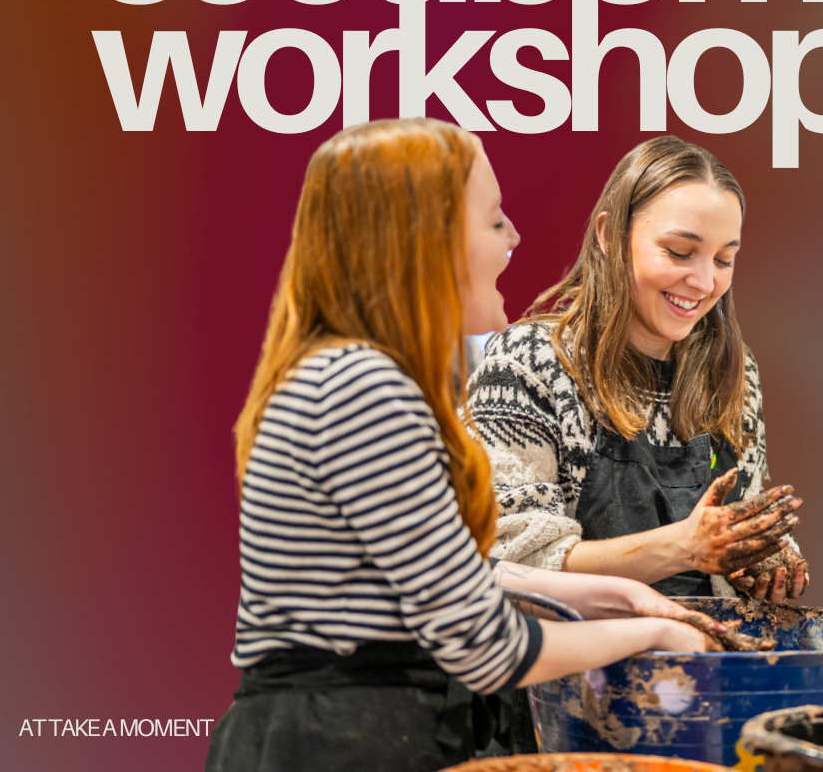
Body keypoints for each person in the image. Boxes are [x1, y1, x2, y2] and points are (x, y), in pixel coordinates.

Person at [205, 120, 724, 772]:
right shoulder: (364, 389)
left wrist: (612, 594)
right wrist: (653, 634)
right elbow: (485, 647)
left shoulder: (358, 377)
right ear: (425, 243)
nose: (514, 238)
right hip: (339, 740)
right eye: (494, 219)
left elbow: (442, 574)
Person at [469, 135, 809, 605]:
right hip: (573, 665)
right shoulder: (529, 361)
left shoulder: (732, 369)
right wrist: (683, 548)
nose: (706, 282)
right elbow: (511, 560)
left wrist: (762, 553)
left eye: (724, 258)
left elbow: (734, 519)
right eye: (679, 251)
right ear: (610, 235)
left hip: (708, 660)